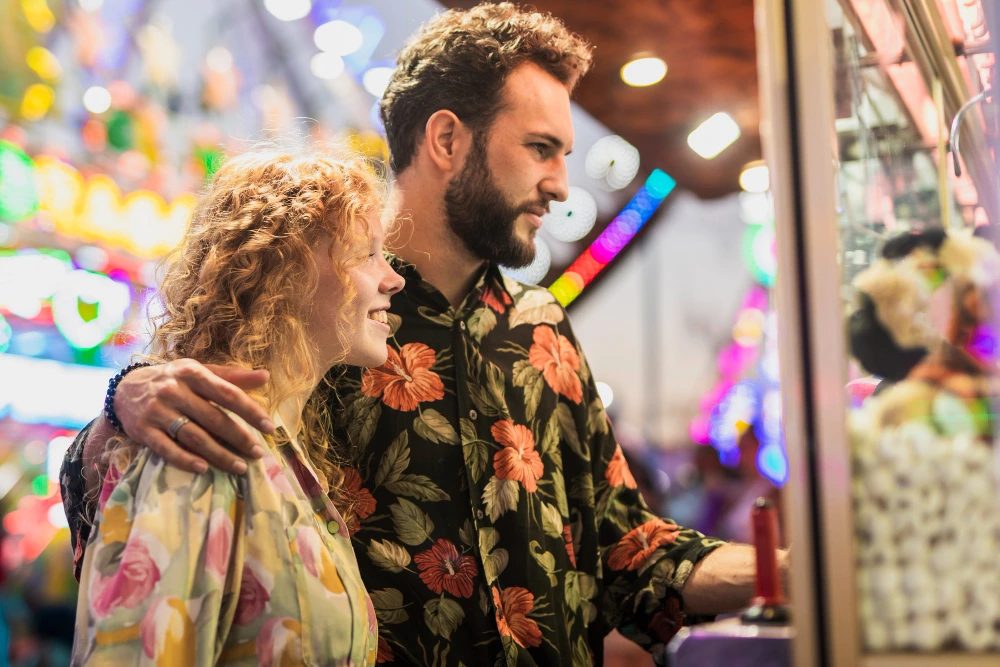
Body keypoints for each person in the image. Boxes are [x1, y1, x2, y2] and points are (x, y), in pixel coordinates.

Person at [62, 4, 784, 665]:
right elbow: (141, 491)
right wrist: (124, 400)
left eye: (565, 153)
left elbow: (628, 548)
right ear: (446, 139)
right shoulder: (327, 310)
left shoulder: (542, 330)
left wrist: (797, 568)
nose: (562, 183)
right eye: (540, 148)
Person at [70, 149, 405, 665]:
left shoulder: (275, 447)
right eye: (365, 253)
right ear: (285, 268)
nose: (392, 278)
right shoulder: (206, 442)